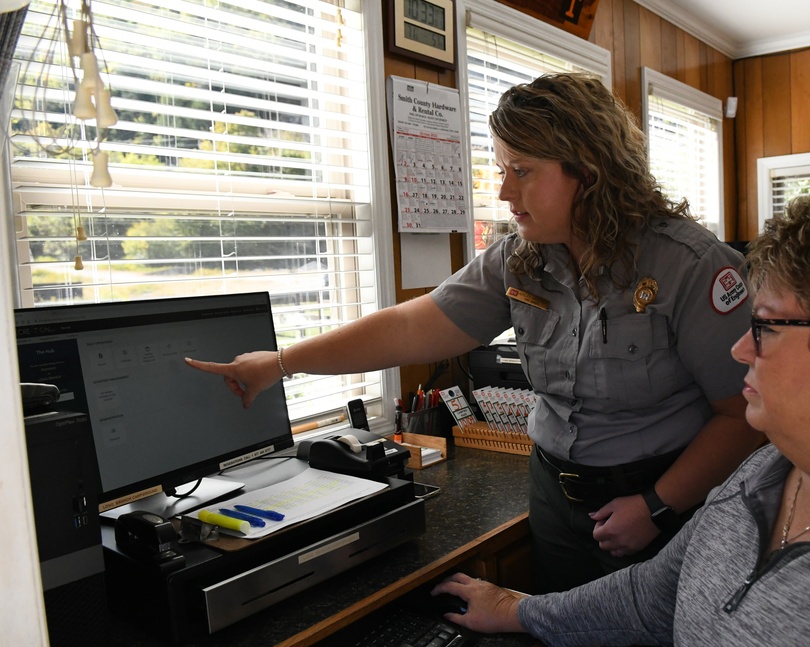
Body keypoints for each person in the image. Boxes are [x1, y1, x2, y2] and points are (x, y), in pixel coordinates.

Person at [186, 72, 760, 610]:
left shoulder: (691, 265)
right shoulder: (520, 257)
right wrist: (283, 362)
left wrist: (658, 505)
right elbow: (414, 326)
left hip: (668, 497)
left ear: (588, 170)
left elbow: (743, 415)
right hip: (556, 496)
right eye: (501, 168)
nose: (505, 190)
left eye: (523, 170)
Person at [431, 184, 810, 647]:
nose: (739, 351)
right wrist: (517, 609)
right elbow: (654, 595)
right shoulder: (768, 469)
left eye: (768, 327)